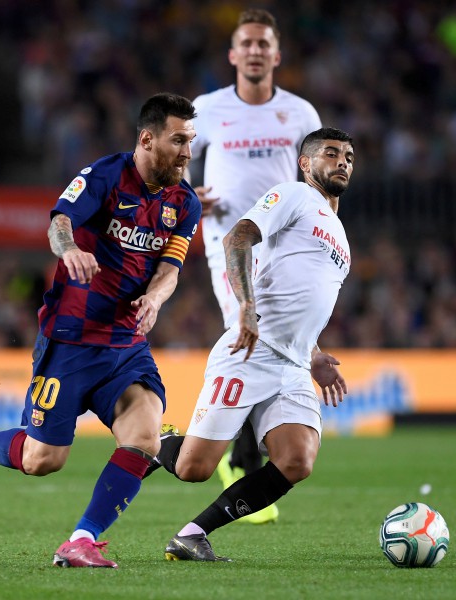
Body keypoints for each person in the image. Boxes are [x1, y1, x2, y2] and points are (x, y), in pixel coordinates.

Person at [0, 93, 202, 569]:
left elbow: (171, 269)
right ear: (147, 139)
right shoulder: (104, 176)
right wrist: (69, 250)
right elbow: (60, 222)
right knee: (42, 460)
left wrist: (156, 299)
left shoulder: (184, 203)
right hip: (72, 339)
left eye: (191, 141)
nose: (187, 152)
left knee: (145, 438)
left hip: (127, 345)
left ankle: (82, 539)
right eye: (178, 140)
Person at [153, 127, 353, 562]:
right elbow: (237, 237)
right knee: (193, 468)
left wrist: (314, 354)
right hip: (251, 351)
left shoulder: (340, 236)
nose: (342, 161)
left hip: (294, 365)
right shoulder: (295, 196)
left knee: (297, 460)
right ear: (305, 163)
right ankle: (156, 441)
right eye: (331, 153)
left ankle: (192, 535)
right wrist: (245, 306)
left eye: (349, 157)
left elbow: (301, 299)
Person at [187, 8, 321, 524]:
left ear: (277, 54)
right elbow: (177, 160)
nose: (255, 51)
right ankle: (240, 459)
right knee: (245, 330)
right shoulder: (208, 109)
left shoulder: (300, 114)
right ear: (233, 54)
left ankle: (249, 441)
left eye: (264, 43)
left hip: (284, 244)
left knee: (270, 337)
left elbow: (316, 178)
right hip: (229, 242)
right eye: (247, 43)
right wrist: (186, 194)